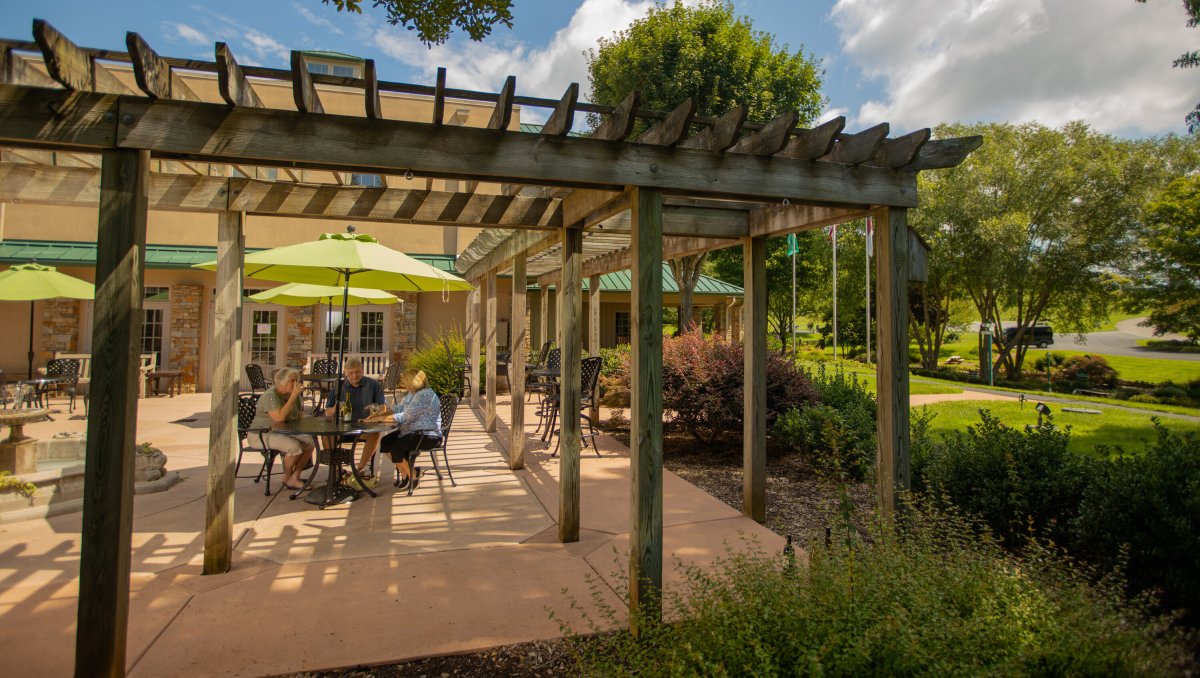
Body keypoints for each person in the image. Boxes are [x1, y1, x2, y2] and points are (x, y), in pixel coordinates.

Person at [364, 368, 442, 491]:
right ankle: (406, 473)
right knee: (385, 442)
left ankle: (413, 476)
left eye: (405, 381)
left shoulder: (424, 395)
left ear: (412, 382)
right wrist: (379, 415)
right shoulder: (412, 393)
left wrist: (379, 419)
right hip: (412, 431)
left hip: (427, 435)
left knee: (396, 447)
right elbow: (398, 408)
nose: (403, 383)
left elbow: (404, 417)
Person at [252, 367, 316, 491]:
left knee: (310, 442)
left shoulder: (293, 395)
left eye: (296, 380)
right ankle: (287, 478)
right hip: (261, 434)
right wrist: (293, 397)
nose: (295, 383)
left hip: (283, 432)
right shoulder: (271, 396)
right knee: (294, 446)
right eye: (292, 380)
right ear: (281, 381)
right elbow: (280, 418)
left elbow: (299, 417)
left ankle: (295, 477)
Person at [323, 357, 388, 476]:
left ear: (362, 370)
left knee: (376, 433)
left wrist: (375, 409)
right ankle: (337, 470)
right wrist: (337, 408)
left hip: (364, 427)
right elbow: (327, 412)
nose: (354, 376)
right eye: (351, 373)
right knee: (326, 435)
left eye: (357, 372)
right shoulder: (339, 386)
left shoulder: (372, 384)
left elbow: (383, 407)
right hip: (342, 428)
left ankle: (359, 469)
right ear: (345, 373)